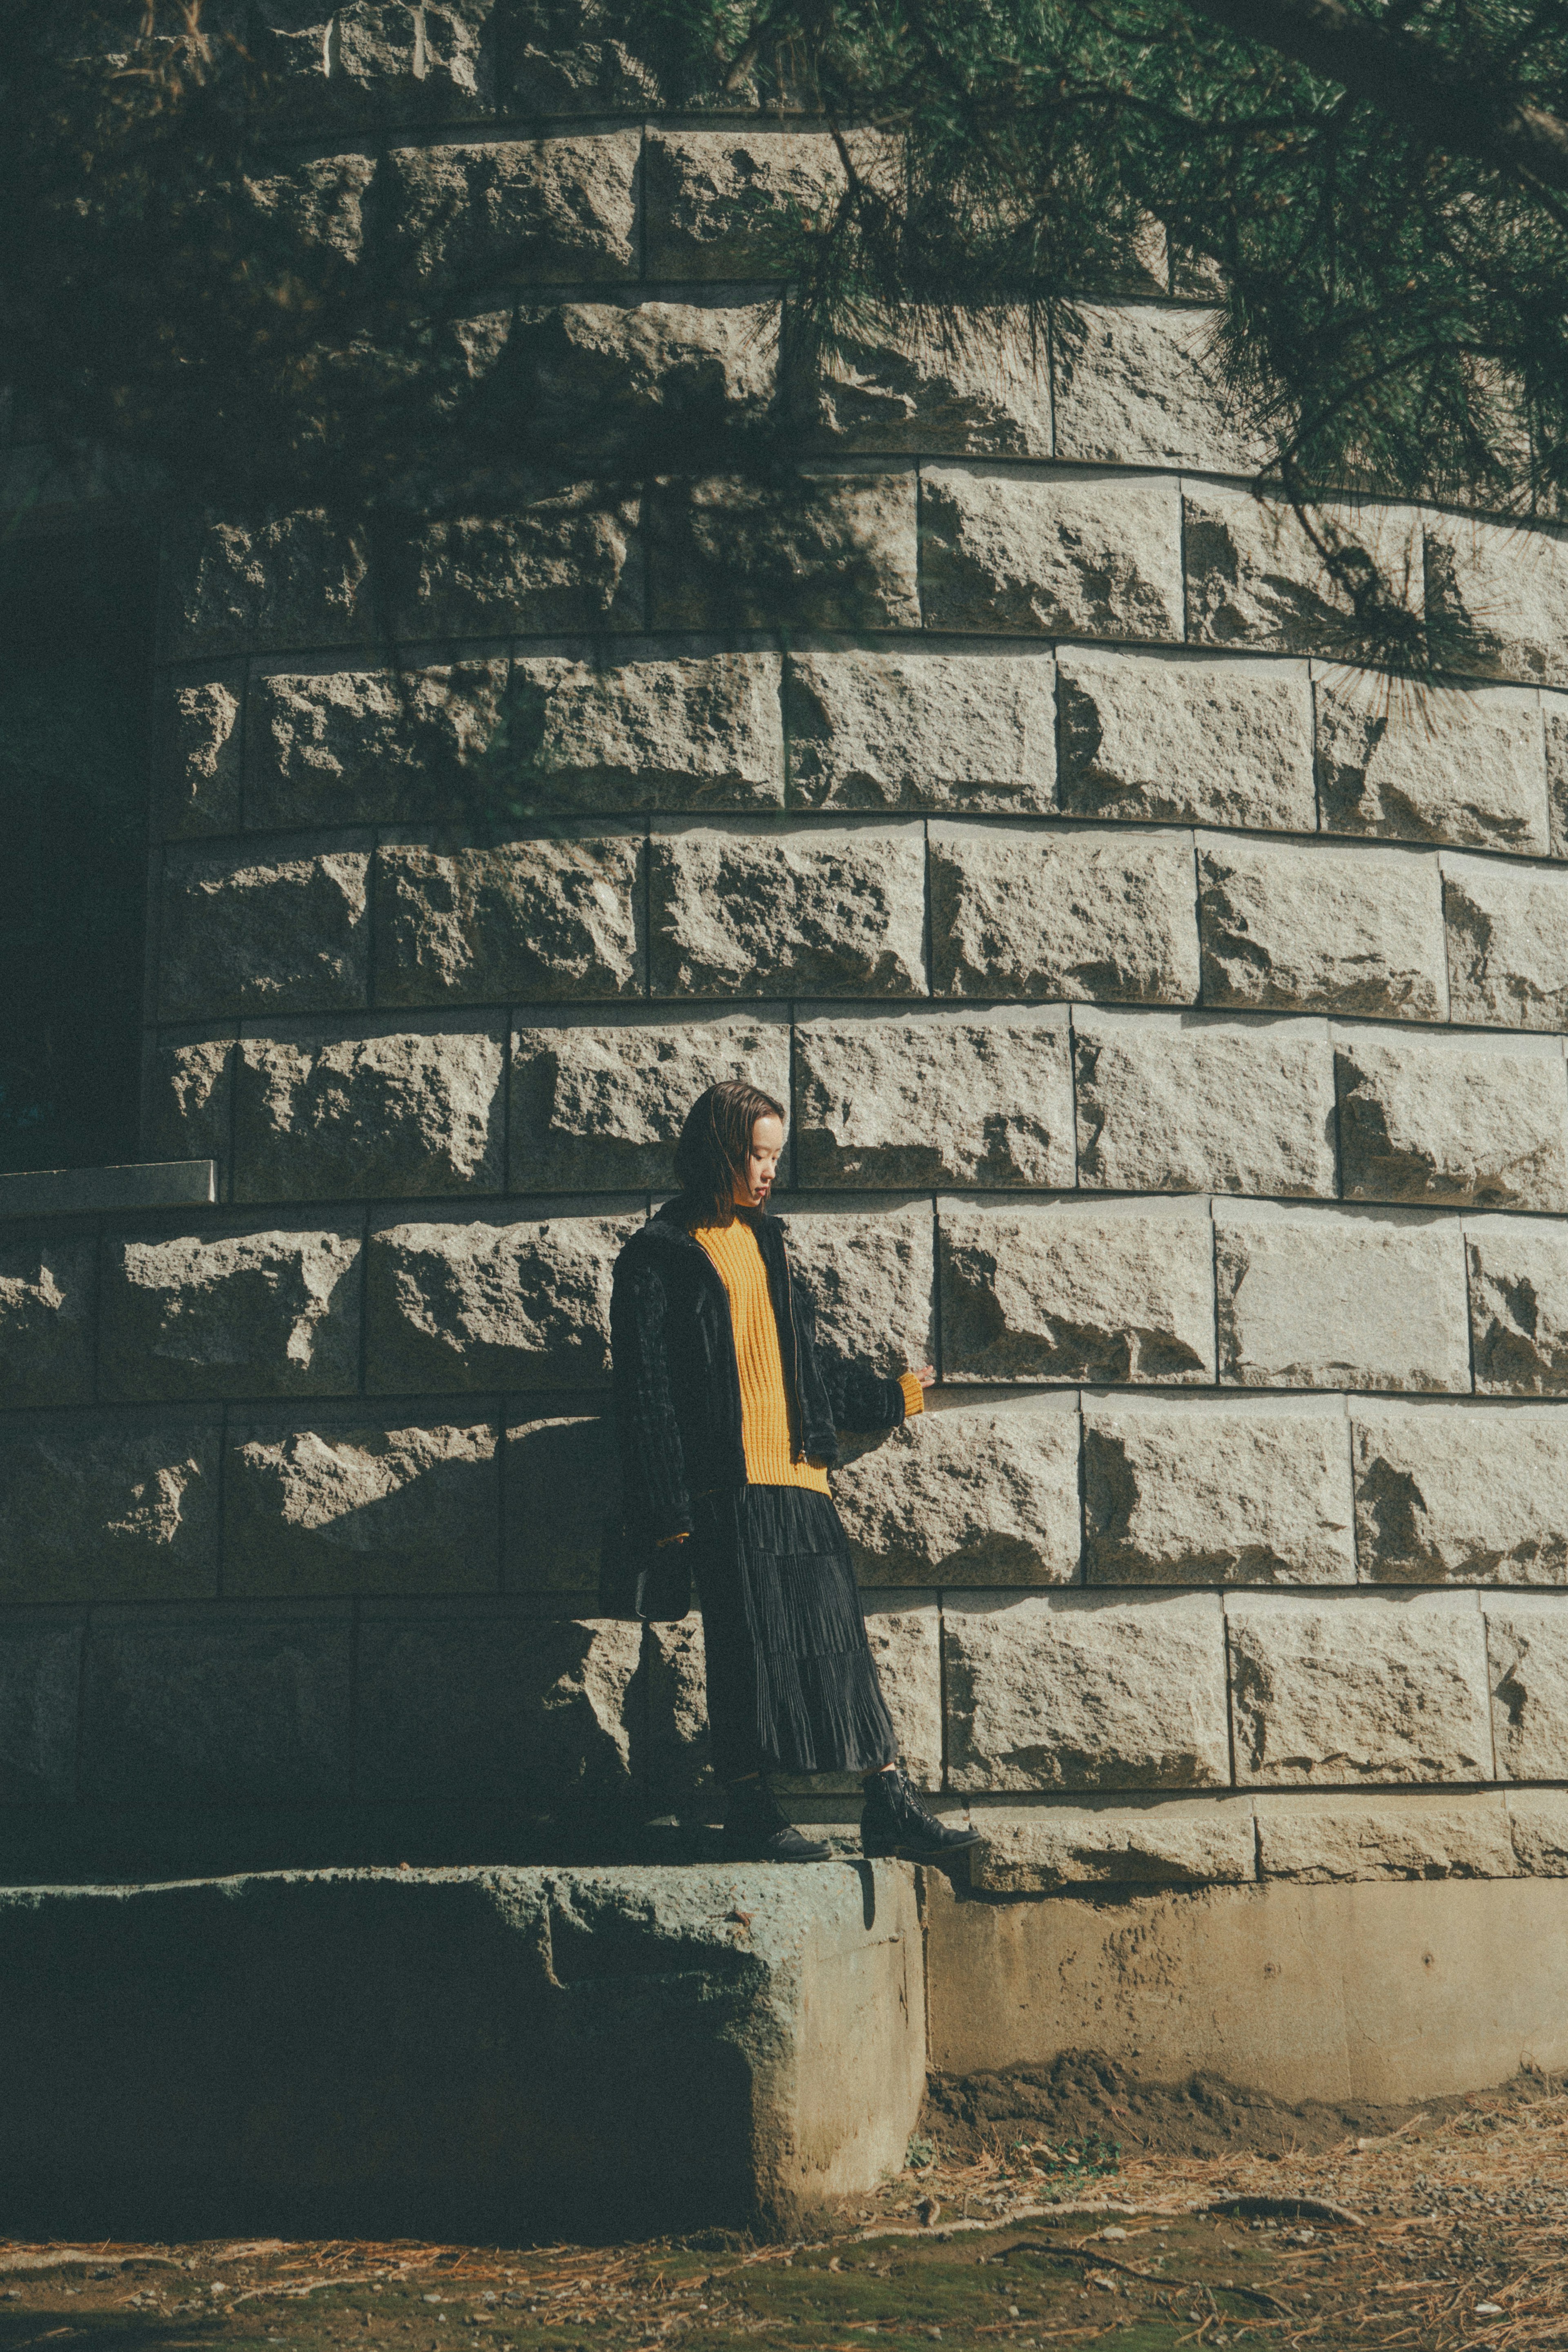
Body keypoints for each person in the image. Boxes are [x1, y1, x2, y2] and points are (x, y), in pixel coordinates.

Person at [607, 1079, 983, 1867]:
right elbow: (644, 1394)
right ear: (720, 1150)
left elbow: (807, 1362)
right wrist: (667, 1511)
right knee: (747, 1650)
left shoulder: (767, 1240)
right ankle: (750, 1809)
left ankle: (888, 1805)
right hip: (724, 1491)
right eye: (758, 1154)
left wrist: (891, 1397)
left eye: (775, 1155)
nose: (770, 1171)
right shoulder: (658, 1255)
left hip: (802, 1480)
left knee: (837, 1643)